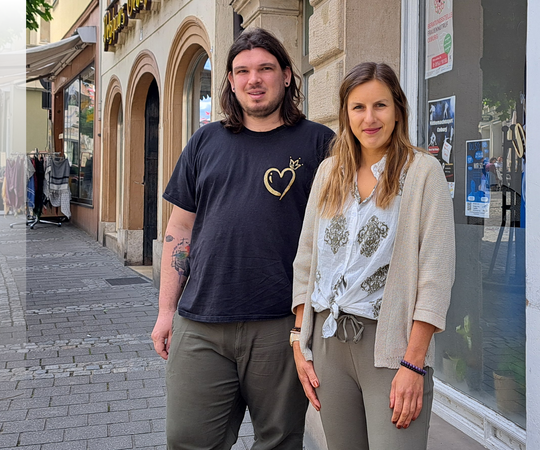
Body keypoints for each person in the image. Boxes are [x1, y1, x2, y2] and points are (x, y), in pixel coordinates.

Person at [151, 28, 334, 449]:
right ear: (231, 81)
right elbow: (179, 229)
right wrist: (166, 311)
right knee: (188, 438)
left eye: (265, 68)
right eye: (242, 71)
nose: (254, 79)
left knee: (279, 440)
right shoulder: (205, 141)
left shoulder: (320, 144)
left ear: (287, 75)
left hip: (281, 324)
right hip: (201, 322)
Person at [291, 62, 455, 449]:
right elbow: (306, 259)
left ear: (398, 108)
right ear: (346, 113)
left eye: (380, 105)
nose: (369, 118)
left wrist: (413, 364)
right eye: (358, 107)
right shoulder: (330, 172)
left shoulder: (423, 173)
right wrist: (299, 341)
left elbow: (435, 274)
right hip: (329, 345)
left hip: (391, 349)